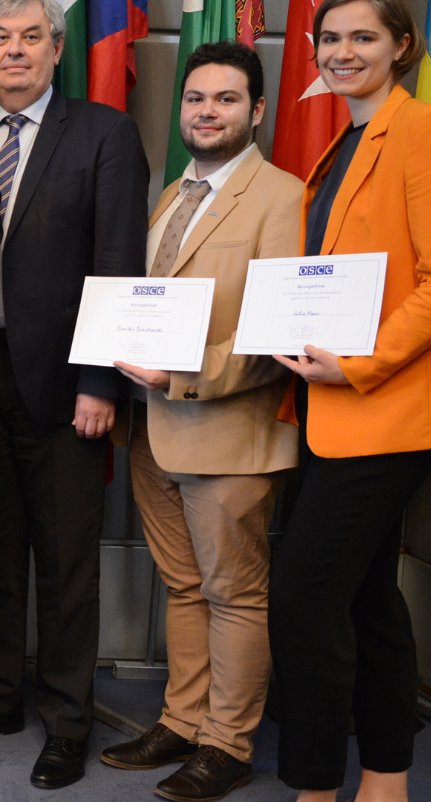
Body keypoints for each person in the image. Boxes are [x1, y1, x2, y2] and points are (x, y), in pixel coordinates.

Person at [268, 0, 431, 802]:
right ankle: (386, 781)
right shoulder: (344, 144)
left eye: (362, 37)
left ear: (401, 45)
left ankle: (315, 787)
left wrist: (358, 365)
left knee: (304, 596)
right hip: (333, 408)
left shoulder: (427, 131)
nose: (342, 53)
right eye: (329, 39)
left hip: (391, 405)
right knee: (366, 598)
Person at [0, 0, 148, 790]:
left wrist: (101, 382)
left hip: (65, 385)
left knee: (65, 563)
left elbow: (118, 261)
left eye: (32, 37)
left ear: (58, 49)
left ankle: (66, 721)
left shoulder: (104, 133)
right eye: (1, 37)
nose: (15, 49)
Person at [99, 43, 302, 802]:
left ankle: (228, 743)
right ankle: (182, 722)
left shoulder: (283, 197)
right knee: (182, 586)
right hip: (152, 429)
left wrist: (181, 375)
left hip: (229, 433)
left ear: (257, 110)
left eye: (225, 99)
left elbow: (278, 334)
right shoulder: (168, 194)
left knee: (233, 594)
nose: (206, 112)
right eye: (195, 99)